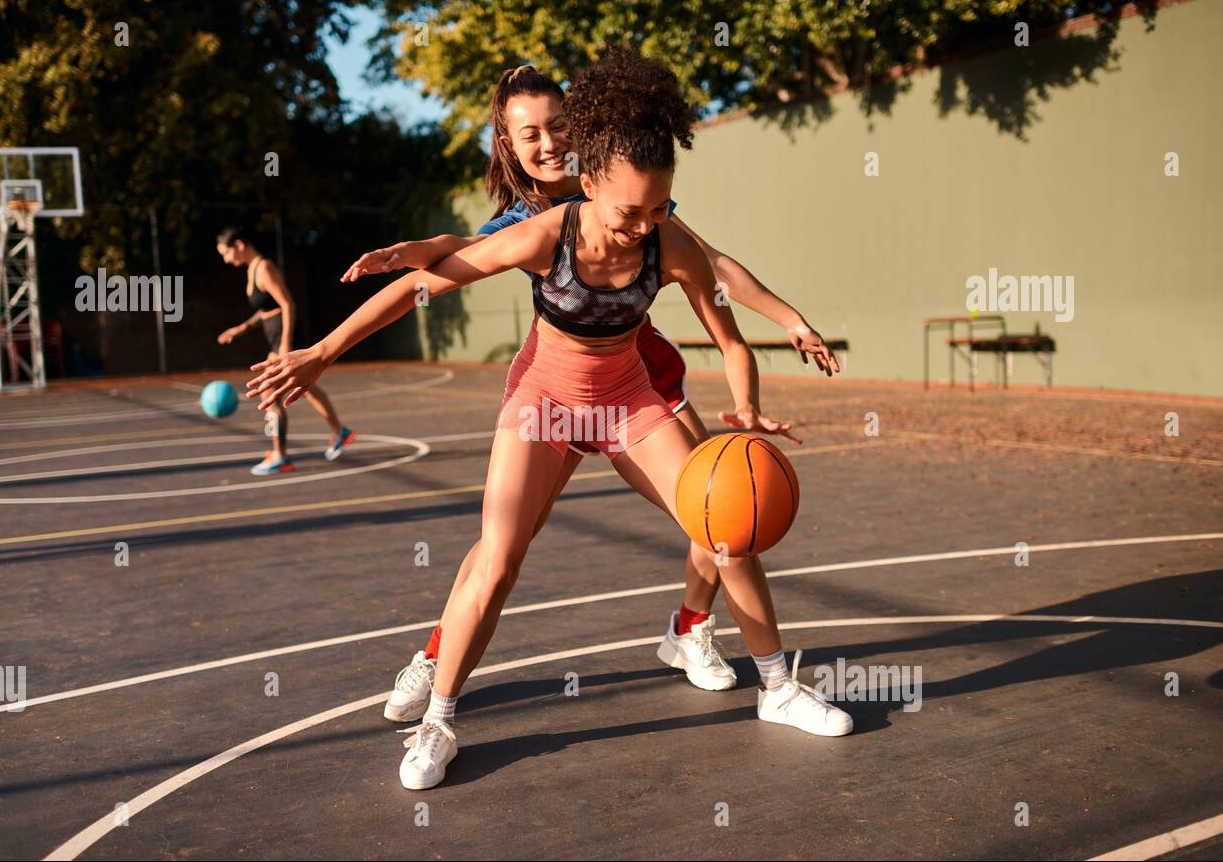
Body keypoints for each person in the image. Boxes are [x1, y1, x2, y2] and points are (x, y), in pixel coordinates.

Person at [249, 47, 852, 791]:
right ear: (593, 185)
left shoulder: (665, 235)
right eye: (632, 211)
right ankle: (438, 718)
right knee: (498, 559)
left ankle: (777, 686)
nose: (644, 225)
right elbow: (427, 285)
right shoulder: (545, 231)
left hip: (628, 399)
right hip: (547, 402)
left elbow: (728, 330)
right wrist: (322, 349)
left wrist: (752, 398)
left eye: (659, 208)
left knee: (722, 528)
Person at [214, 227, 355, 474]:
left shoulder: (264, 267)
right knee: (306, 388)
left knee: (270, 391)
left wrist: (286, 346)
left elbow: (287, 304)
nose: (226, 259)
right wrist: (241, 328)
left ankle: (280, 455)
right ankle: (339, 432)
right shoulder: (252, 270)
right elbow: (265, 310)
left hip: (284, 338)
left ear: (239, 245)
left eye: (226, 253)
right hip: (277, 338)